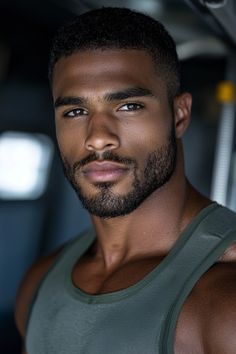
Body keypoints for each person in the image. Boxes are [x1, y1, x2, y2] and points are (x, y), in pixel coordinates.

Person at [15, 7, 236, 354]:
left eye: (129, 106)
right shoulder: (39, 284)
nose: (98, 138)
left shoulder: (225, 299)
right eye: (75, 112)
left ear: (179, 115)